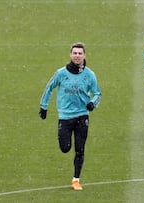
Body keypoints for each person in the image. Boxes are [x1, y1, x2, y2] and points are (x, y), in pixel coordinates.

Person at [39, 42, 101, 190]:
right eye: (75, 53)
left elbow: (98, 93)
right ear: (70, 55)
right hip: (65, 117)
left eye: (80, 53)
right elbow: (49, 88)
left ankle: (76, 180)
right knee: (65, 147)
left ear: (84, 55)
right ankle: (65, 142)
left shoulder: (89, 75)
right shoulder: (61, 73)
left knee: (80, 149)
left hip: (82, 116)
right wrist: (43, 107)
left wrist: (93, 103)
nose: (77, 56)